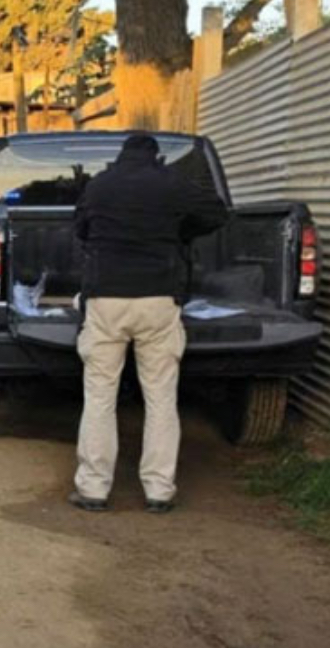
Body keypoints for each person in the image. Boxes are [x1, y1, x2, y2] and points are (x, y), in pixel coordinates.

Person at [69, 134, 229, 514]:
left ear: (121, 156)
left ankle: (93, 489)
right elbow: (217, 213)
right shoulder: (172, 183)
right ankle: (159, 490)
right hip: (158, 298)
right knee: (160, 397)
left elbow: (81, 229)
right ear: (155, 157)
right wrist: (179, 232)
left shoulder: (100, 185)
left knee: (100, 396)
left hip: (106, 299)